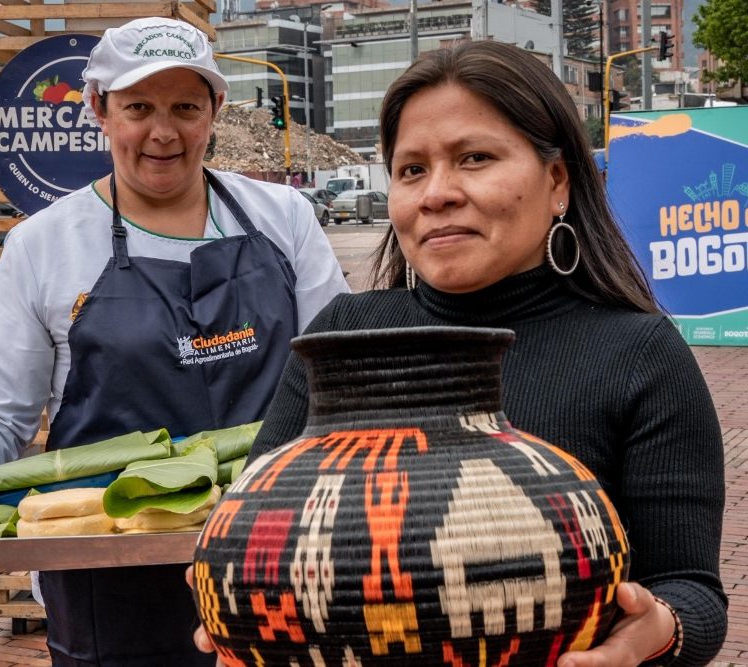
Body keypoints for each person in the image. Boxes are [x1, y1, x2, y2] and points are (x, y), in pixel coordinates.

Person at [216, 41, 727, 665]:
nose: (437, 194)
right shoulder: (343, 337)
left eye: (475, 158)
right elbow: (251, 528)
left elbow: (692, 592)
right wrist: (228, 596)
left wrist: (659, 629)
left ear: (558, 180)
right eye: (411, 170)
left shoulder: (639, 353)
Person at [0, 17, 348, 666]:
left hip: (278, 557)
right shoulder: (45, 245)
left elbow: (337, 378)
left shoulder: (285, 220)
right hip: (110, 582)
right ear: (98, 109)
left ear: (215, 110)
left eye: (185, 107)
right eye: (138, 107)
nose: (163, 132)